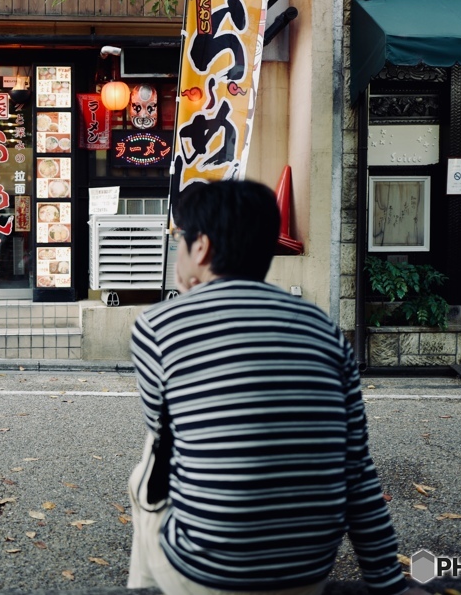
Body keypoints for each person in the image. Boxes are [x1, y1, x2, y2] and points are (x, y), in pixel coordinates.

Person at [127, 180, 429, 595]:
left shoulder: (158, 326)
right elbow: (358, 469)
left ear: (202, 248)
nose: (176, 250)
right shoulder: (324, 328)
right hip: (307, 573)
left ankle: (149, 586)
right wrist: (389, 584)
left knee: (151, 455)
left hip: (207, 574)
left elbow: (173, 443)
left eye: (180, 239)